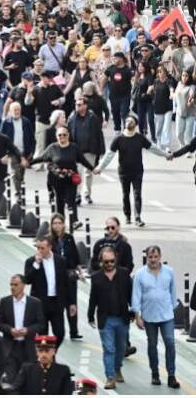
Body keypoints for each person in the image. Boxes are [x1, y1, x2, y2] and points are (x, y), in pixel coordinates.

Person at [94, 114, 170, 225]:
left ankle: (138, 217)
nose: (128, 122)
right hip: (123, 172)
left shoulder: (140, 138)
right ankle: (127, 215)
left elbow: (153, 148)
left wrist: (166, 155)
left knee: (137, 194)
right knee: (125, 194)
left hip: (137, 171)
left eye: (131, 121)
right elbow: (109, 155)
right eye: (127, 121)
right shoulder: (119, 139)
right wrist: (100, 167)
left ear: (135, 124)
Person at [131, 246, 180, 388]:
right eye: (150, 257)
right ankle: (155, 373)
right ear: (147, 257)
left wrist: (172, 310)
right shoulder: (140, 274)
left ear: (160, 257)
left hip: (166, 316)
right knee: (152, 345)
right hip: (149, 316)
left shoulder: (169, 272)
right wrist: (137, 316)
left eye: (155, 257)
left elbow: (173, 293)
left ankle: (171, 375)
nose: (153, 260)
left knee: (170, 343)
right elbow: (136, 296)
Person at [29, 126, 94, 229]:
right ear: (56, 136)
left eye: (64, 135)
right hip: (57, 180)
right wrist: (29, 162)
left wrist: (93, 169)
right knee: (59, 202)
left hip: (70, 179)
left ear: (68, 135)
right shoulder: (52, 148)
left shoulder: (74, 148)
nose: (62, 137)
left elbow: (83, 160)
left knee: (71, 199)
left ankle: (74, 221)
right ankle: (60, 223)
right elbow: (42, 158)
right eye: (60, 135)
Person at [87, 246, 133, 390]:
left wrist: (135, 312)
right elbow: (92, 298)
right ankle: (110, 377)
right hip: (105, 319)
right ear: (101, 262)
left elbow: (131, 296)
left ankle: (117, 367)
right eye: (106, 262)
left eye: (112, 261)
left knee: (120, 348)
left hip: (122, 318)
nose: (109, 264)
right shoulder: (96, 277)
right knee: (109, 349)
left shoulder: (125, 274)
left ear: (116, 260)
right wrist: (90, 316)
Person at [0, 274, 45, 381]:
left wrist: (28, 330)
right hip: (10, 347)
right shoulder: (5, 302)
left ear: (23, 286)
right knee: (12, 379)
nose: (12, 287)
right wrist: (10, 330)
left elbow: (41, 324)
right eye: (11, 285)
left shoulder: (35, 303)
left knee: (27, 379)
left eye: (15, 285)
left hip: (27, 347)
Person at [24, 236, 70, 349]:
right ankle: (45, 358)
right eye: (38, 248)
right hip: (40, 304)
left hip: (56, 302)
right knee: (42, 335)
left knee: (60, 333)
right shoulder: (31, 261)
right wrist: (36, 265)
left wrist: (71, 303)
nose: (39, 251)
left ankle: (52, 353)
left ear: (50, 247)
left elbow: (66, 283)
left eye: (42, 248)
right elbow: (27, 280)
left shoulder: (60, 261)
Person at [48, 214, 82, 340]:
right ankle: (59, 330)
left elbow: (75, 255)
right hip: (56, 275)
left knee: (72, 301)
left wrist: (79, 269)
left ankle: (74, 331)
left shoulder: (69, 238)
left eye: (59, 223)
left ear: (63, 224)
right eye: (55, 223)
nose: (57, 226)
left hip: (70, 273)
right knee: (59, 303)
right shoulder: (49, 240)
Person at [66, 96, 105, 205]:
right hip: (76, 151)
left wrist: (101, 150)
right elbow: (68, 132)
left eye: (79, 105)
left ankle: (87, 194)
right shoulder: (72, 117)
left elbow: (99, 134)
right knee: (77, 173)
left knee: (88, 173)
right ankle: (77, 194)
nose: (76, 107)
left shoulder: (92, 117)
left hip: (89, 150)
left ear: (85, 106)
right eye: (76, 104)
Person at [0, 102, 35, 199]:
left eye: (18, 110)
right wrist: (4, 153)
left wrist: (32, 151)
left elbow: (32, 138)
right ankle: (18, 194)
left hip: (25, 151)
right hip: (12, 152)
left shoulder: (26, 121)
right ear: (10, 111)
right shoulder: (6, 122)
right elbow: (1, 138)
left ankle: (20, 190)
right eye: (14, 110)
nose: (16, 112)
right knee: (15, 172)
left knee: (21, 173)